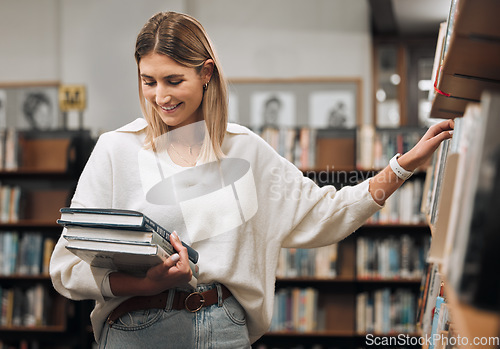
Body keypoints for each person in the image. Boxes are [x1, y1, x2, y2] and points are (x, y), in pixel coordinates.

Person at [49, 11, 454, 349]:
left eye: (174, 80)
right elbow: (66, 267)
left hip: (225, 327)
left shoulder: (246, 150)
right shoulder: (115, 150)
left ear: (206, 73)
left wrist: (402, 167)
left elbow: (327, 213)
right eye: (148, 81)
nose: (160, 96)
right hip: (138, 328)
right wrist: (141, 283)